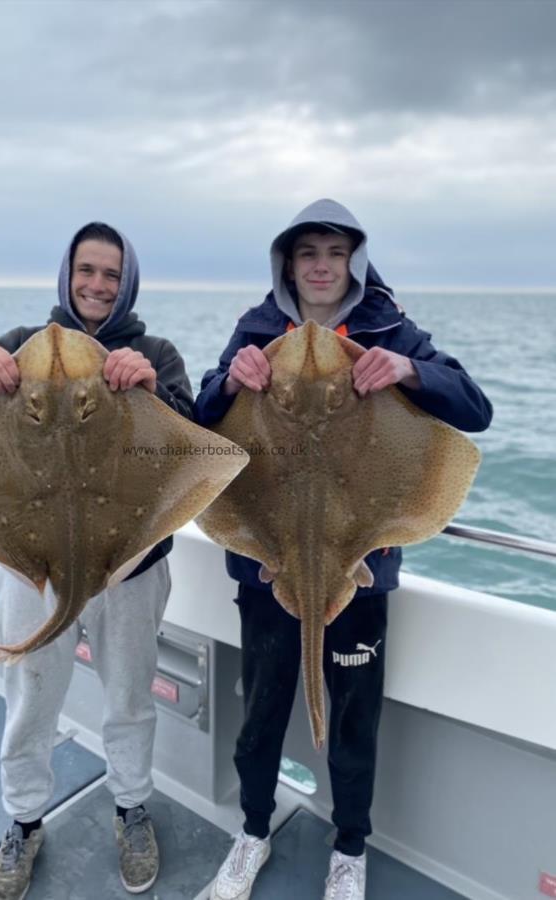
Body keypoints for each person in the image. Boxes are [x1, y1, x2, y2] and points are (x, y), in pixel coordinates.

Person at [195, 198, 493, 900]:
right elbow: (200, 421)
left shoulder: (391, 328)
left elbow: (474, 408)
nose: (321, 266)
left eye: (334, 252)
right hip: (266, 561)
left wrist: (408, 372)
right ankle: (253, 833)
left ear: (354, 260)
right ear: (288, 265)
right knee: (262, 708)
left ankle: (349, 848)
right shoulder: (256, 329)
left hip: (361, 565)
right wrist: (232, 380)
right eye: (308, 254)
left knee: (354, 717)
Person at [0, 221, 194, 899]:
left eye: (111, 273)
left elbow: (200, 443)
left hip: (128, 562)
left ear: (127, 281)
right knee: (29, 699)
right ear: (67, 275)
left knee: (130, 698)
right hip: (30, 563)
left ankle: (132, 808)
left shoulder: (153, 352)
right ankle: (23, 821)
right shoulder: (18, 350)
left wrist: (155, 393)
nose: (97, 285)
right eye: (86, 271)